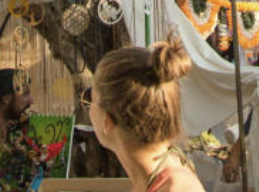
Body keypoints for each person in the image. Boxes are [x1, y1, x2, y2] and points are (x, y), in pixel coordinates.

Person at [85, 36, 205, 192]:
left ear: (107, 121)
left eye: (89, 99)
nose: (87, 108)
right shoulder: (160, 177)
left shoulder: (175, 187)